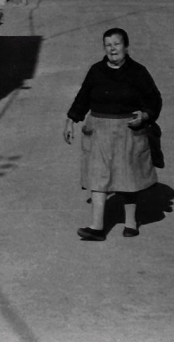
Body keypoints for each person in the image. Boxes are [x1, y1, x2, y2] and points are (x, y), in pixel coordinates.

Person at [62, 27, 162, 241]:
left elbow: (154, 100)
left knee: (128, 177)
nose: (112, 49)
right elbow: (83, 97)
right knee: (97, 177)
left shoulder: (138, 72)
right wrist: (71, 120)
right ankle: (97, 227)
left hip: (128, 131)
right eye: (108, 45)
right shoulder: (96, 71)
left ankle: (131, 222)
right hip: (99, 130)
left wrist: (144, 116)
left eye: (116, 44)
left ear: (126, 46)